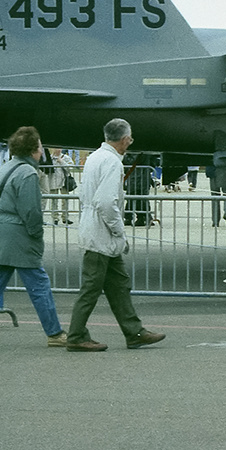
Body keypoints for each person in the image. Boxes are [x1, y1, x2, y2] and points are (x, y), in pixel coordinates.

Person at [0, 127, 67, 348]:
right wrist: (37, 235)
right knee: (39, 286)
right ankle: (54, 332)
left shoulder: (6, 168)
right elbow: (31, 212)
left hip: (0, 232)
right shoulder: (27, 173)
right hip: (19, 235)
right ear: (34, 149)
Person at [65, 119, 164, 352]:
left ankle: (134, 332)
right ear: (124, 139)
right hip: (103, 233)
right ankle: (76, 335)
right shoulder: (112, 163)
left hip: (95, 229)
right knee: (91, 287)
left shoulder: (94, 157)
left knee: (119, 285)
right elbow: (107, 203)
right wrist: (120, 231)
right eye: (130, 138)